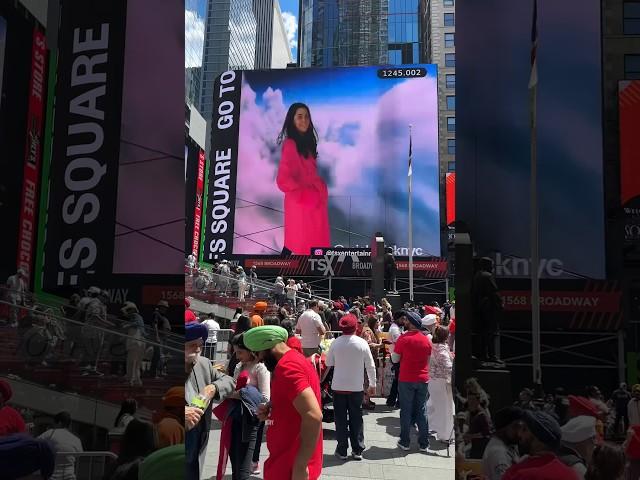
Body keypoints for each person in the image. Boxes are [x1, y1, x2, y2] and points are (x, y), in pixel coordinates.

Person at [243, 326, 323, 480]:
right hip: (286, 459)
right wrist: (273, 406)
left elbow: (313, 415)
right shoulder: (295, 359)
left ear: (269, 347)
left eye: (258, 353)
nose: (258, 359)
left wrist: (300, 465)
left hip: (289, 464)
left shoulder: (287, 367)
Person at [276, 103, 329, 255]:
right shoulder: (290, 144)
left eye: (306, 116)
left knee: (312, 251)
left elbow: (309, 173)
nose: (304, 120)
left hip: (313, 204)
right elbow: (283, 179)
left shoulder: (308, 144)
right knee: (301, 249)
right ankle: (282, 274)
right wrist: (305, 194)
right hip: (301, 206)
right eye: (299, 116)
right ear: (292, 120)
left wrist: (318, 189)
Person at [185, 322, 235, 480]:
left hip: (199, 435)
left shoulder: (204, 363)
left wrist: (213, 388)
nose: (198, 349)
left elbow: (229, 381)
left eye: (200, 344)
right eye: (193, 345)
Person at [326, 314, 376, 461]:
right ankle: (357, 449)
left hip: (338, 386)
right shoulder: (362, 343)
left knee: (340, 419)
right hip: (356, 387)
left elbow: (329, 363)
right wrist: (372, 384)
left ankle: (342, 449)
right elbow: (371, 365)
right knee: (357, 418)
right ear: (356, 327)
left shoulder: (336, 343)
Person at [229, 334, 271, 477]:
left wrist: (244, 393)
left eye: (240, 352)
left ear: (250, 350)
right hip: (235, 416)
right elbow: (231, 388)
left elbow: (265, 398)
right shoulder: (239, 366)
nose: (237, 355)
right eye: (235, 352)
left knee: (244, 462)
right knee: (234, 457)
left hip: (251, 420)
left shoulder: (260, 368)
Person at [392, 311, 432, 452]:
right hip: (423, 378)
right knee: (422, 410)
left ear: (410, 322)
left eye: (406, 320)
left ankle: (405, 441)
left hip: (407, 378)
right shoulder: (426, 339)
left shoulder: (403, 339)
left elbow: (395, 359)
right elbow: (428, 360)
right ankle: (424, 443)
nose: (404, 321)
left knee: (406, 410)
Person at [502, 411, 579, 480]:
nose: (519, 434)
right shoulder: (571, 475)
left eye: (524, 429)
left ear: (539, 439)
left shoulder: (516, 474)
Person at [471, 257, 503, 361]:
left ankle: (484, 355)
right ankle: (492, 356)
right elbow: (494, 292)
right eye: (490, 265)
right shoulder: (487, 276)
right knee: (491, 333)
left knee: (483, 334)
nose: (492, 267)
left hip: (479, 309)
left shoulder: (476, 276)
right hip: (489, 309)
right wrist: (500, 304)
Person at [427, 325, 455, 444]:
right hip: (443, 382)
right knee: (445, 410)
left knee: (432, 405)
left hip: (432, 380)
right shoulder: (442, 350)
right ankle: (445, 436)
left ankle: (428, 426)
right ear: (446, 336)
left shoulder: (433, 346)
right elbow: (448, 367)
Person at [38, 411, 83, 480]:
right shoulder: (76, 439)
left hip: (52, 476)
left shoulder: (50, 433)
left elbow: (35, 443)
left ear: (59, 423)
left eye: (54, 423)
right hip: (69, 476)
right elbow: (79, 454)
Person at [482, 407, 523, 480]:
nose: (519, 432)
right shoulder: (498, 453)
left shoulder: (508, 445)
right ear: (502, 428)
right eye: (515, 427)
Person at [360, 313, 382, 410]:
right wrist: (379, 345)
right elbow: (368, 345)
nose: (379, 323)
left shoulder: (369, 330)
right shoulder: (368, 331)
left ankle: (367, 399)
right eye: (377, 322)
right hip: (367, 360)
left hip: (369, 358)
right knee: (367, 379)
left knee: (367, 379)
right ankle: (365, 401)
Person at [120, 302, 146, 387]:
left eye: (129, 310)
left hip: (135, 343)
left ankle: (131, 380)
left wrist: (126, 325)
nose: (128, 312)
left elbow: (135, 324)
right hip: (140, 344)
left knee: (132, 362)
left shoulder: (136, 316)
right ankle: (137, 381)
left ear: (133, 310)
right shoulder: (138, 317)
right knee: (136, 363)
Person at [386, 311, 406, 408]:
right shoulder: (394, 329)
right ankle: (394, 400)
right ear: (398, 318)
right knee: (399, 379)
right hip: (396, 356)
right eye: (402, 319)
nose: (404, 321)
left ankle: (392, 400)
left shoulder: (397, 328)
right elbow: (399, 342)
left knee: (398, 379)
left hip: (396, 355)